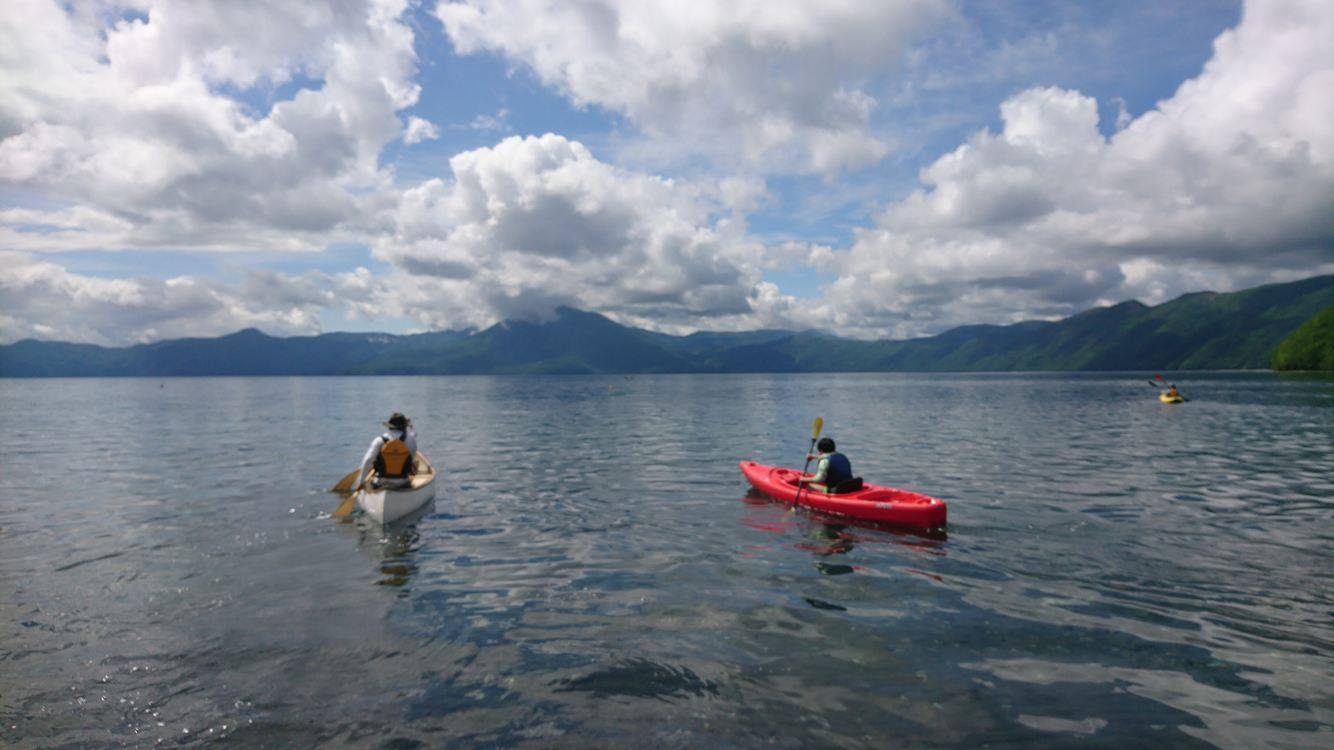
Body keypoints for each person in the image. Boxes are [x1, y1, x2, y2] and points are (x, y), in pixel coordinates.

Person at [354, 412, 419, 491]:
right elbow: (413, 435)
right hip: (403, 483)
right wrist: (411, 425)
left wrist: (361, 482)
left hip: (382, 482)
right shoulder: (411, 439)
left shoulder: (379, 440)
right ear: (404, 427)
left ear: (389, 426)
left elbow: (368, 460)